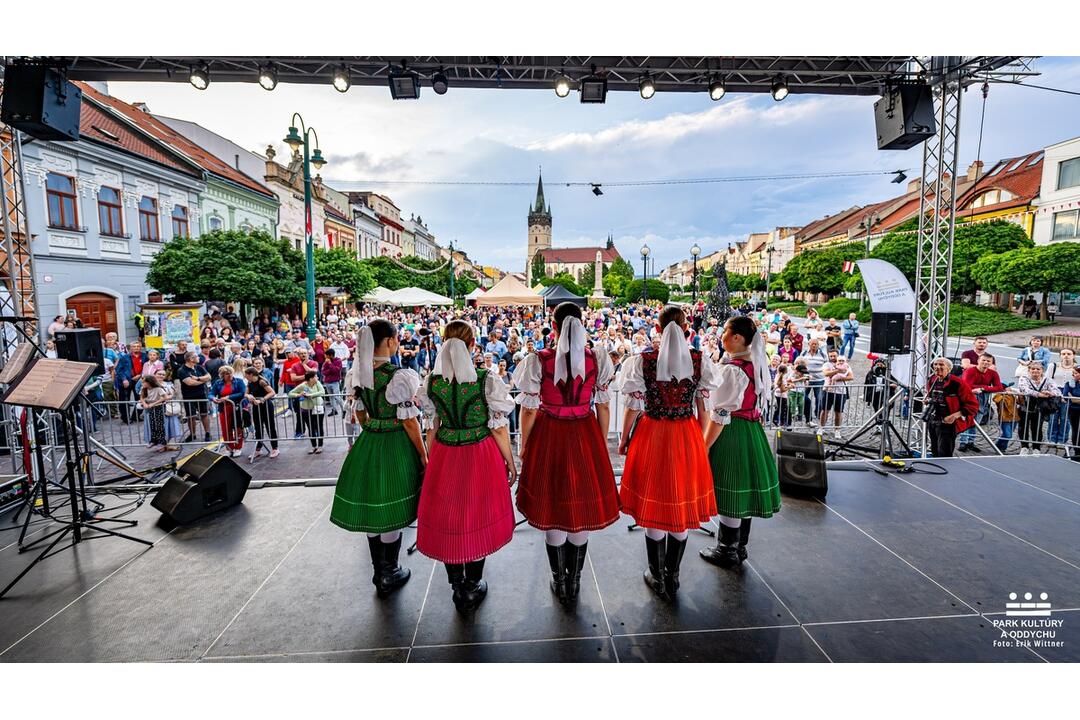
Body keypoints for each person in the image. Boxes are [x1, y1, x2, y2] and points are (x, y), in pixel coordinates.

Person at [513, 302, 619, 606]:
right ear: (583, 323)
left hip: (550, 433)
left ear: (554, 324)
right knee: (579, 510)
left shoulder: (539, 360)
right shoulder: (597, 358)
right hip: (584, 431)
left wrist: (525, 444)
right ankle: (574, 580)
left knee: (554, 508)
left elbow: (529, 409)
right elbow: (604, 405)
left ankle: (560, 579)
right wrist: (598, 440)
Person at [616, 305, 718, 600]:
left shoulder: (643, 361)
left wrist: (624, 440)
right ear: (687, 328)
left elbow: (633, 407)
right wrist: (700, 441)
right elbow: (704, 408)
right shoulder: (700, 360)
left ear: (658, 329)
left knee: (655, 503)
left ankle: (656, 573)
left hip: (653, 433)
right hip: (686, 433)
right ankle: (672, 577)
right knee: (680, 503)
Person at [415, 320, 517, 612]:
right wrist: (510, 462)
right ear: (473, 345)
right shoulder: (486, 379)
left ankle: (457, 584)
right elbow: (498, 428)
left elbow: (432, 428)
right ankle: (472, 585)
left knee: (450, 515)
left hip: (446, 453)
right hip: (478, 454)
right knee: (476, 513)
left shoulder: (432, 382)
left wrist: (430, 460)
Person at [332, 319, 426, 598]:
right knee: (392, 507)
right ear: (388, 341)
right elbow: (410, 422)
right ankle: (390, 570)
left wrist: (373, 428)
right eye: (396, 338)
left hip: (370, 440)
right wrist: (423, 455)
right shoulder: (399, 376)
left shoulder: (359, 373)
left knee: (374, 504)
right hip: (395, 442)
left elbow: (359, 412)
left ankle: (379, 570)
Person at [699, 316, 781, 568]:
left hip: (732, 432)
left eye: (725, 331)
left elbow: (720, 414)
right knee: (742, 488)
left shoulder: (733, 370)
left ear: (736, 337)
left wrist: (705, 444)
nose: (721, 336)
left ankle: (727, 550)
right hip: (751, 430)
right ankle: (739, 546)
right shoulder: (755, 363)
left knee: (730, 487)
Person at [924, 357, 979, 458]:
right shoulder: (932, 379)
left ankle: (945, 471)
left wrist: (954, 416)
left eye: (941, 365)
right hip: (934, 419)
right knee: (934, 450)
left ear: (949, 368)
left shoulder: (957, 383)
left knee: (944, 452)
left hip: (948, 422)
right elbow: (932, 396)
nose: (937, 367)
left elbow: (973, 405)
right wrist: (928, 400)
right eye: (935, 365)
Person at [958, 353, 1004, 452]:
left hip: (983, 398)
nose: (986, 363)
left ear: (992, 363)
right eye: (983, 360)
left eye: (988, 361)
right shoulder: (970, 371)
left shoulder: (993, 373)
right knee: (967, 421)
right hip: (969, 398)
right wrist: (987, 388)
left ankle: (971, 442)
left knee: (976, 422)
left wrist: (983, 388)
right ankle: (963, 442)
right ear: (978, 361)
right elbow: (967, 386)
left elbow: (999, 387)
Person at [1016, 362, 1061, 455]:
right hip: (1025, 407)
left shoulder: (1047, 380)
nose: (1035, 371)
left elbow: (1057, 391)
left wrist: (1050, 393)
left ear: (1042, 371)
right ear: (1029, 370)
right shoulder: (1024, 378)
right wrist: (1039, 394)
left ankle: (1037, 448)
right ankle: (1024, 447)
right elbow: (1025, 389)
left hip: (1040, 408)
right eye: (1033, 369)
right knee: (1023, 427)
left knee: (1037, 428)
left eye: (1038, 369)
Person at [209, 365, 246, 457]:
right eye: (226, 374)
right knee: (225, 429)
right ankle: (229, 448)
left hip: (237, 408)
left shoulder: (239, 381)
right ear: (222, 375)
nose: (229, 375)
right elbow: (211, 393)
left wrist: (228, 397)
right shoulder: (218, 383)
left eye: (230, 373)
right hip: (223, 409)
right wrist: (213, 398)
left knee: (238, 428)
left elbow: (242, 393)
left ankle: (238, 447)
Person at [243, 366, 279, 460]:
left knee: (270, 426)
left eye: (246, 375)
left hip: (266, 406)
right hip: (256, 407)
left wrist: (262, 399)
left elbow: (272, 392)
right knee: (258, 428)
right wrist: (248, 395)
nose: (245, 376)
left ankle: (275, 448)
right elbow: (245, 393)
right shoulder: (250, 382)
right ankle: (258, 449)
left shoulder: (261, 381)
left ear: (251, 375)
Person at [176, 351, 212, 442]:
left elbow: (209, 376)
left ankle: (208, 433)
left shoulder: (199, 367)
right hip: (189, 396)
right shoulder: (182, 370)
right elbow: (190, 383)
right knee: (191, 416)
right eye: (196, 356)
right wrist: (203, 380)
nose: (199, 358)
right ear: (191, 359)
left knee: (204, 414)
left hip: (202, 394)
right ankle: (192, 434)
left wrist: (199, 378)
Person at [289, 370, 327, 454]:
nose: (317, 377)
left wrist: (311, 395)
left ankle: (320, 446)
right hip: (306, 409)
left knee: (319, 426)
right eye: (315, 376)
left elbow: (322, 392)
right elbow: (290, 393)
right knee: (311, 427)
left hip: (318, 407)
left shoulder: (317, 383)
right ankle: (314, 446)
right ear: (311, 378)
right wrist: (299, 395)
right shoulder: (303, 385)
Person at [819, 349, 853, 438]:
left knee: (838, 412)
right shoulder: (827, 364)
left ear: (838, 356)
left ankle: (837, 430)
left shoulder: (846, 364)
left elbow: (850, 377)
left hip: (841, 391)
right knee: (824, 410)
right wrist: (838, 370)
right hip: (828, 391)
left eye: (834, 356)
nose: (832, 357)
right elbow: (826, 373)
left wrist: (838, 378)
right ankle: (821, 428)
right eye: (831, 356)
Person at [1046, 349, 1076, 448]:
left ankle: (1062, 440)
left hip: (1068, 394)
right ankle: (1051, 439)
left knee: (1065, 418)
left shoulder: (1076, 368)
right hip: (1055, 393)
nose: (1066, 356)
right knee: (1053, 417)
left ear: (1073, 356)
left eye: (1069, 354)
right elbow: (1047, 380)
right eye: (1063, 354)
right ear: (1060, 356)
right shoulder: (1053, 366)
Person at [114, 341, 147, 424]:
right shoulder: (124, 357)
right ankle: (126, 418)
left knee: (140, 398)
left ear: (141, 347)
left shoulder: (145, 356)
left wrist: (140, 376)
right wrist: (124, 379)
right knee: (124, 399)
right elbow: (118, 370)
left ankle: (135, 416)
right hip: (126, 381)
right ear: (131, 348)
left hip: (140, 380)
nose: (136, 348)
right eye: (134, 346)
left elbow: (147, 368)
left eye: (138, 346)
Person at [799, 338, 828, 425]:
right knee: (803, 398)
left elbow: (826, 365)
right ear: (809, 344)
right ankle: (803, 413)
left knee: (819, 398)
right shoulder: (804, 353)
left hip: (819, 380)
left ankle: (818, 413)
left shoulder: (823, 354)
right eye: (812, 344)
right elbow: (800, 365)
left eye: (816, 344)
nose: (814, 345)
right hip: (806, 380)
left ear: (818, 345)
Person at [138, 373, 169, 451]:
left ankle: (161, 441)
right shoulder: (143, 389)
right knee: (152, 424)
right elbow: (141, 397)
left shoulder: (158, 389)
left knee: (159, 424)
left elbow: (165, 397)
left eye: (144, 382)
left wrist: (153, 403)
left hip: (158, 407)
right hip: (150, 408)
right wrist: (145, 403)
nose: (143, 384)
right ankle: (153, 440)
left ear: (149, 382)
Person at [993, 390, 1021, 454]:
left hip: (1014, 418)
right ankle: (997, 445)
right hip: (1005, 418)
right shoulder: (1000, 395)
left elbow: (1021, 402)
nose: (1011, 389)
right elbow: (996, 400)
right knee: (1008, 435)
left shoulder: (1012, 395)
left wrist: (1019, 395)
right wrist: (1004, 394)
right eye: (1009, 387)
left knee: (1008, 434)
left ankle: (1002, 448)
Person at [1063, 367, 1080, 461]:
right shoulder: (1070, 384)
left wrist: (1074, 398)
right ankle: (1077, 453)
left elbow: (1072, 398)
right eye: (1073, 373)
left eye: (1076, 373)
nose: (1073, 375)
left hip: (1075, 408)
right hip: (1074, 411)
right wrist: (1073, 399)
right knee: (1076, 431)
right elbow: (1066, 397)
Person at [322, 348, 344, 417]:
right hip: (327, 381)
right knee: (331, 397)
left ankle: (344, 409)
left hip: (335, 382)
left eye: (327, 355)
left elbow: (336, 370)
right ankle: (334, 410)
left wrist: (330, 364)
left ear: (331, 355)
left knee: (337, 396)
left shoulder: (338, 361)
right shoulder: (326, 362)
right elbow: (323, 371)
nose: (326, 357)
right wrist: (330, 370)